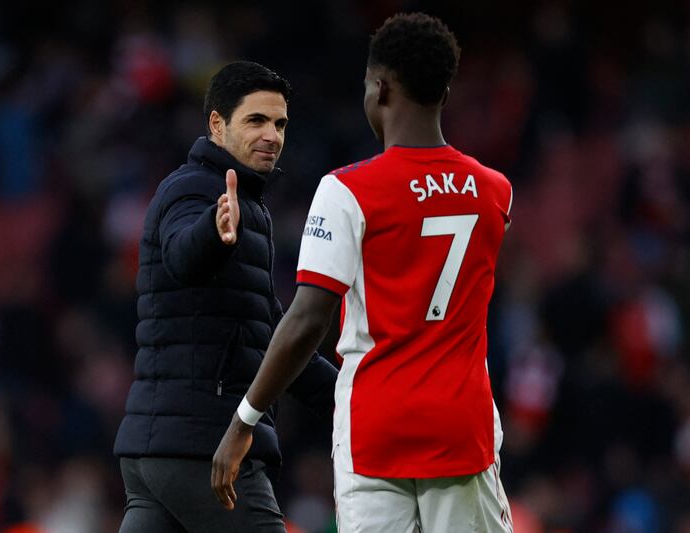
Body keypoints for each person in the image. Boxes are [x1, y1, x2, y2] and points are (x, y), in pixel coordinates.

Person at [212, 13, 514, 532]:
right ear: (445, 88)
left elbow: (308, 319)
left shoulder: (347, 191)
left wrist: (245, 419)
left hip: (376, 426)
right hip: (461, 427)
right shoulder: (494, 190)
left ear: (380, 87)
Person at [114, 61, 338, 533]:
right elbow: (183, 255)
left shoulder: (246, 205)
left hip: (154, 452)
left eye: (279, 124)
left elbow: (272, 336)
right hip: (205, 449)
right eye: (255, 120)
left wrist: (347, 397)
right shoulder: (195, 189)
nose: (272, 135)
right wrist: (214, 235)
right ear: (217, 124)